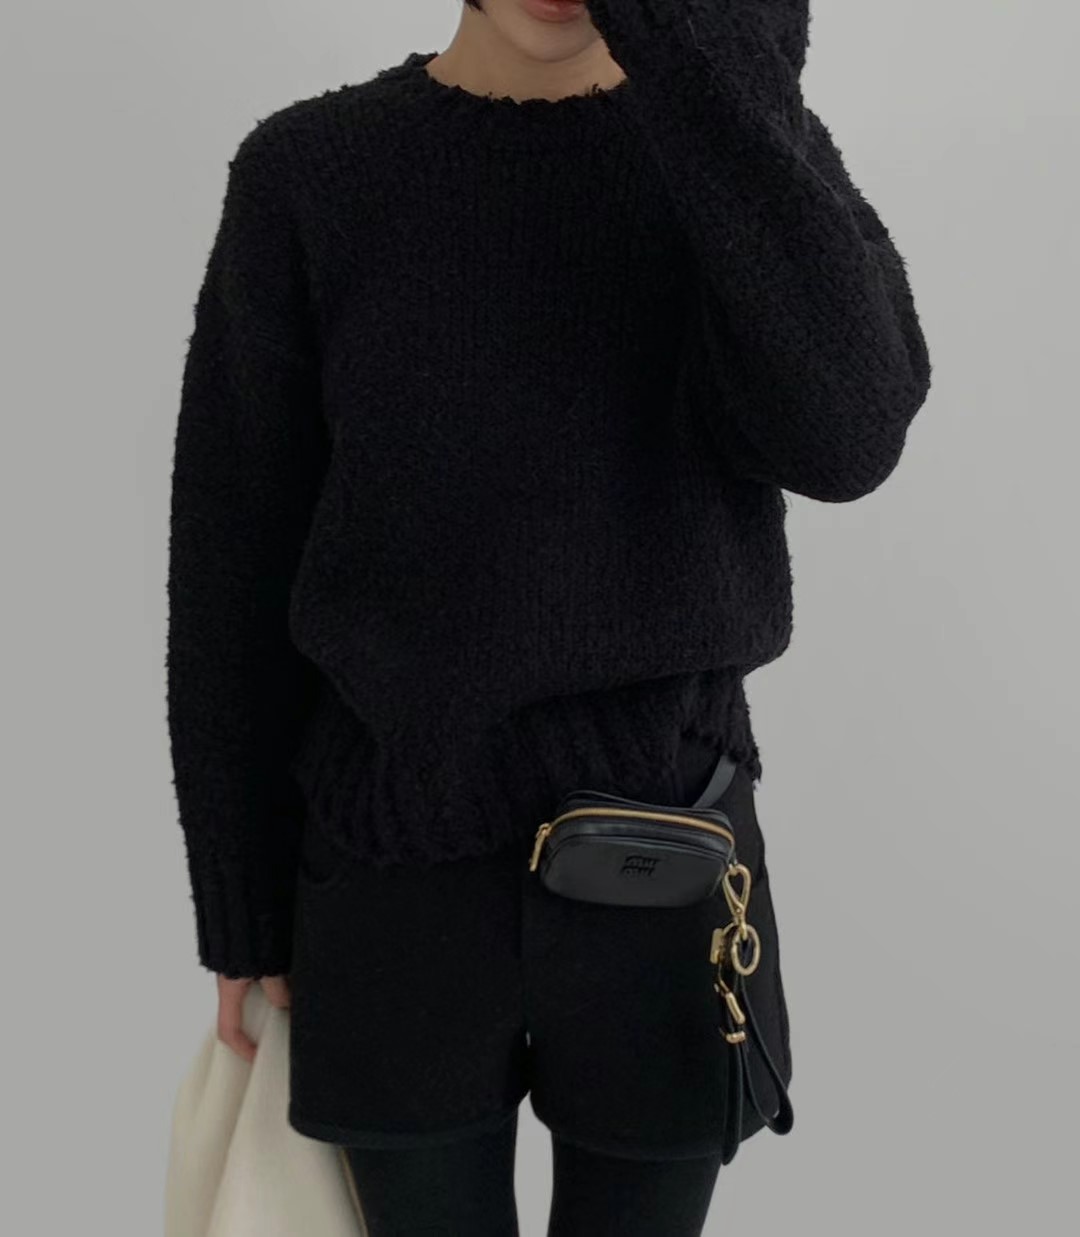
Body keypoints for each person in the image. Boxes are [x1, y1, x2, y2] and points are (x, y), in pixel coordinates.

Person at [165, 0, 932, 1232]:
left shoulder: (729, 147)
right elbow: (232, 560)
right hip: (390, 875)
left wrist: (718, 58)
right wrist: (239, 903)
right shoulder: (311, 174)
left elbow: (849, 436)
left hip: (670, 856)